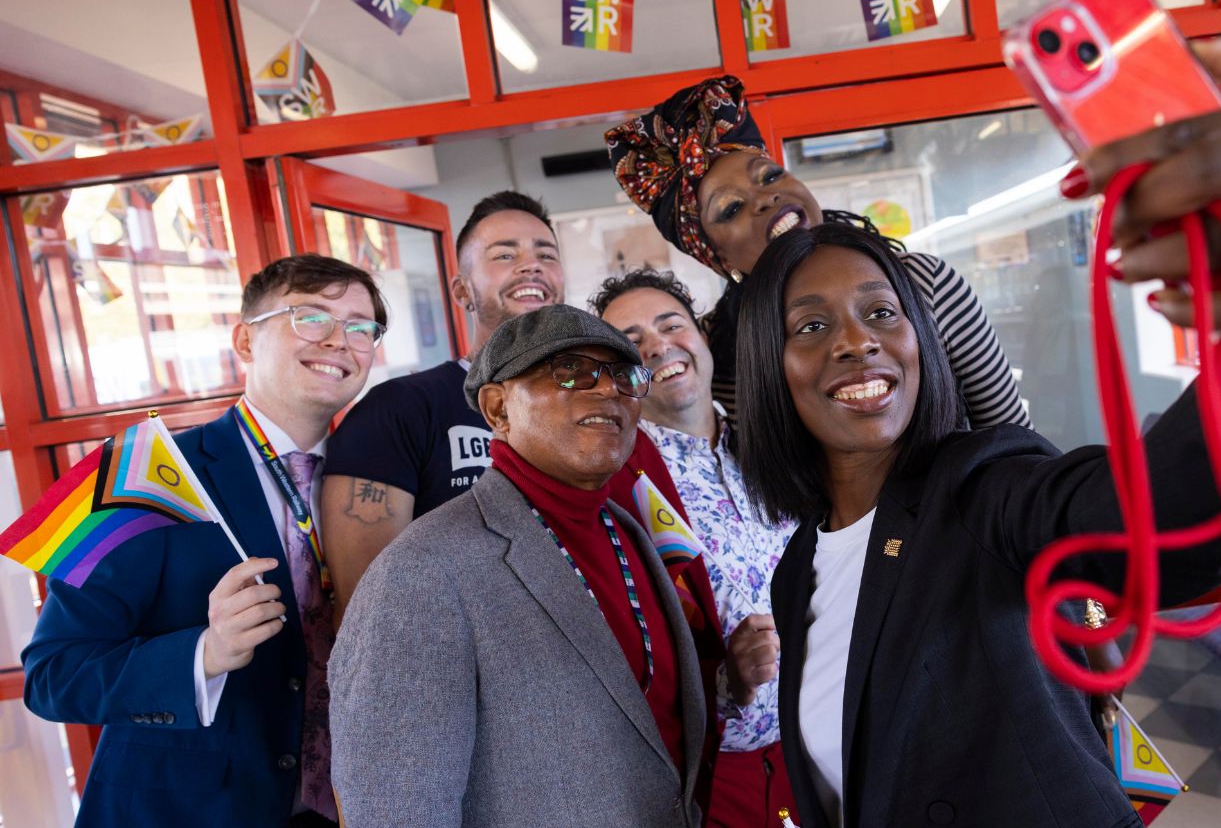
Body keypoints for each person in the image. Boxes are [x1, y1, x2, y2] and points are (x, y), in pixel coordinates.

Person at [731, 39, 1221, 827]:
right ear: (770, 372)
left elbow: (1148, 512)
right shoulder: (796, 571)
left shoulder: (982, 487)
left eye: (882, 312)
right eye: (813, 325)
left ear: (920, 342)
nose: (858, 341)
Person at [22, 255, 387, 828]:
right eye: (312, 317)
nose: (341, 340)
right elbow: (53, 675)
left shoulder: (384, 480)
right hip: (189, 809)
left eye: (361, 327)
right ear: (245, 339)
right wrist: (206, 653)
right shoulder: (135, 474)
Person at [329, 305, 708, 827]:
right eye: (571, 371)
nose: (607, 391)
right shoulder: (422, 574)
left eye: (624, 376)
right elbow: (395, 812)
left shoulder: (631, 533)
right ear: (497, 408)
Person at [321, 190, 687, 614]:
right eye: (504, 256)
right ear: (462, 291)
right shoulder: (398, 410)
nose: (531, 265)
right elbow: (371, 613)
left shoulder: (603, 402)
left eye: (547, 255)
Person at [605, 75, 1030, 430]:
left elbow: (1014, 439)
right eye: (731, 207)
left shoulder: (922, 282)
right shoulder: (721, 348)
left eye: (770, 175)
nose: (766, 199)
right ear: (717, 256)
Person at [593, 268, 796, 825]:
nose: (658, 346)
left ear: (702, 338)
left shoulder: (778, 446)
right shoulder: (616, 488)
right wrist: (726, 677)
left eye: (671, 325)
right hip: (714, 774)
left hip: (826, 744)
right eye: (631, 343)